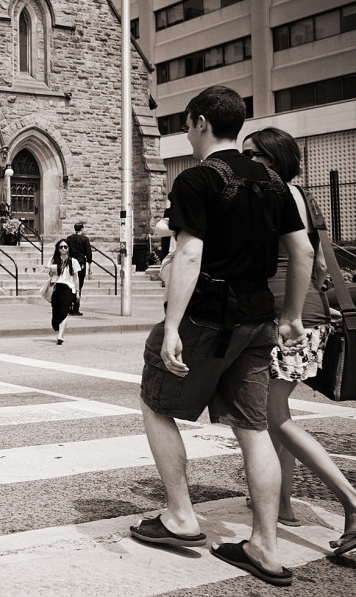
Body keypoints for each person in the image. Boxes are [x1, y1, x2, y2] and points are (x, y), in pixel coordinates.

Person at [128, 86, 314, 587]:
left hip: (208, 316)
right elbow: (302, 252)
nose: (187, 134)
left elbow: (188, 255)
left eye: (186, 125)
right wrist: (291, 316)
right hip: (260, 317)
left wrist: (171, 327)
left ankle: (180, 516)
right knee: (254, 430)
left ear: (202, 122)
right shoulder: (277, 182)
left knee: (155, 401)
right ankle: (265, 546)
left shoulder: (198, 179)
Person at [242, 127, 356, 557]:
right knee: (277, 414)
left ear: (274, 158)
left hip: (287, 319)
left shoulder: (277, 195)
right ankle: (283, 503)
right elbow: (324, 265)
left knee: (275, 415)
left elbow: (306, 258)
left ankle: (352, 501)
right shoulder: (303, 196)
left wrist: (291, 311)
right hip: (305, 315)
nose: (246, 160)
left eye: (253, 154)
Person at [47, 239, 79, 345]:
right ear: (58, 249)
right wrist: (51, 272)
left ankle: (60, 335)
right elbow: (50, 275)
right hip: (57, 288)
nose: (63, 249)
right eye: (61, 247)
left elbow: (76, 278)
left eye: (65, 246)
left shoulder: (73, 261)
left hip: (68, 289)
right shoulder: (54, 260)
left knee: (64, 312)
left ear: (69, 248)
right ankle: (58, 329)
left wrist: (77, 291)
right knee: (56, 314)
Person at [66, 222, 92, 315]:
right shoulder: (85, 239)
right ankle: (76, 308)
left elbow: (66, 251)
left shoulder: (69, 239)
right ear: (82, 229)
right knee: (79, 285)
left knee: (70, 284)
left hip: (71, 263)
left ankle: (69, 306)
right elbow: (88, 255)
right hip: (81, 264)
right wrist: (90, 267)